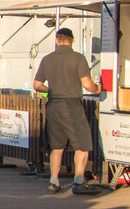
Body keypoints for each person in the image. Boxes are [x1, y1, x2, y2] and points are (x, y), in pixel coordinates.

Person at [32, 28, 101, 194]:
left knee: (56, 146)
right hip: (71, 105)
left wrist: (51, 90)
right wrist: (97, 89)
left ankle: (54, 182)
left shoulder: (47, 59)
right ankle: (78, 182)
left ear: (57, 40)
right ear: (73, 40)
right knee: (82, 145)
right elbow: (87, 84)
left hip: (53, 106)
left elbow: (37, 85)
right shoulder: (78, 58)